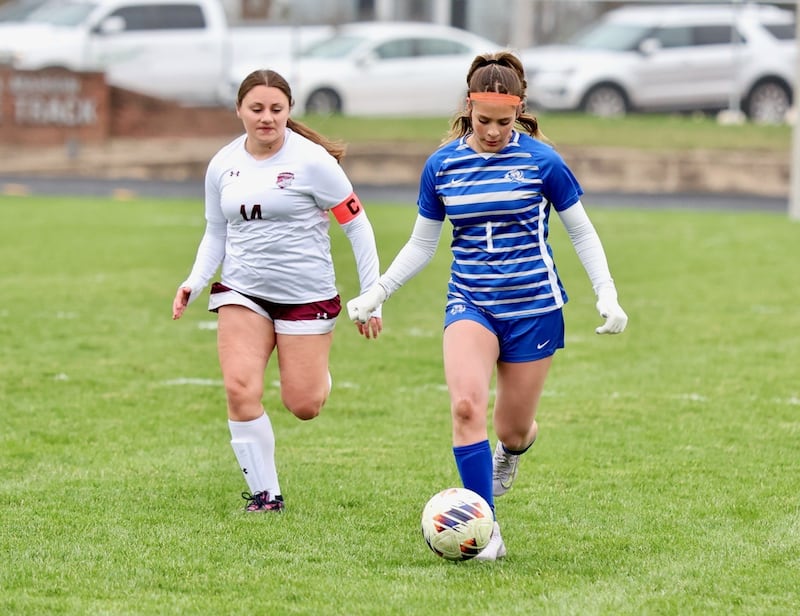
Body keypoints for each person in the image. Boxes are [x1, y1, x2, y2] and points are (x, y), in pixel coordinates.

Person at [346, 52, 628, 560]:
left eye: (504, 121)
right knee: (465, 406)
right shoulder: (443, 165)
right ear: (468, 110)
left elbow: (581, 233)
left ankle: (513, 451)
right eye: (483, 121)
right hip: (470, 302)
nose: (494, 131)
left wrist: (606, 292)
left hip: (534, 308)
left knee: (512, 428)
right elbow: (422, 244)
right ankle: (487, 530)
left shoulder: (543, 161)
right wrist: (378, 291)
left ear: (520, 111)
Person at [172, 69, 382, 513]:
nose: (266, 118)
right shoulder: (222, 164)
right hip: (242, 290)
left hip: (307, 294)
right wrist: (193, 280)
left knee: (302, 404)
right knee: (239, 388)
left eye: (276, 109)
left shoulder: (313, 162)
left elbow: (357, 226)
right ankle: (267, 495)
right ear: (239, 111)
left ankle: (316, 376)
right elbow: (216, 232)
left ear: (288, 111)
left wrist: (372, 294)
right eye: (256, 109)